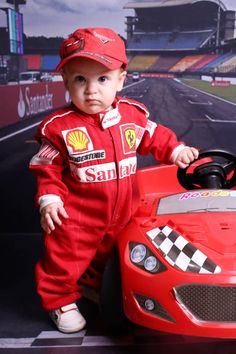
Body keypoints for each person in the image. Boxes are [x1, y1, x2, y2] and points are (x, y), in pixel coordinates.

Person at [29, 27, 199, 334]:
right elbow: (47, 168)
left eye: (102, 79)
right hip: (77, 217)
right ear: (66, 81)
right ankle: (58, 298)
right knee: (66, 258)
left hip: (123, 213)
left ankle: (95, 287)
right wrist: (50, 199)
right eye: (80, 79)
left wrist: (175, 150)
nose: (91, 90)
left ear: (121, 78)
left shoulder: (133, 115)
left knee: (109, 256)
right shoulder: (58, 128)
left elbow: (155, 137)